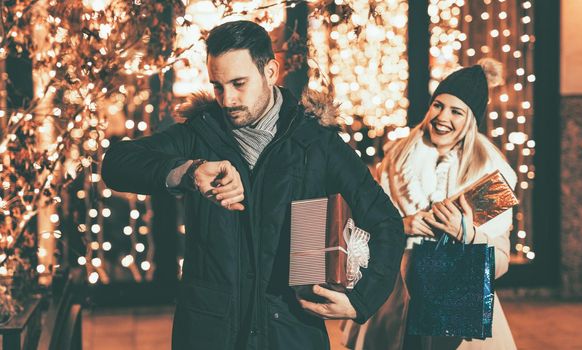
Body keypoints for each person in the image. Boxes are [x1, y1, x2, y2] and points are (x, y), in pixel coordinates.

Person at [101, 20, 405, 350]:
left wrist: (361, 302)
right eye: (217, 86)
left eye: (239, 84)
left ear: (270, 72)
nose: (227, 99)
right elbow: (116, 164)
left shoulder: (316, 143)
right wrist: (189, 171)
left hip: (291, 331)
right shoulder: (198, 135)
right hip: (210, 333)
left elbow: (386, 223)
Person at [341, 59, 518, 350]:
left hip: (458, 298)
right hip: (394, 298)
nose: (442, 117)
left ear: (471, 120)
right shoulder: (394, 162)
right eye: (438, 105)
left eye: (456, 111)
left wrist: (466, 234)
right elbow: (362, 234)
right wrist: (402, 226)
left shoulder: (490, 173)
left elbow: (500, 260)